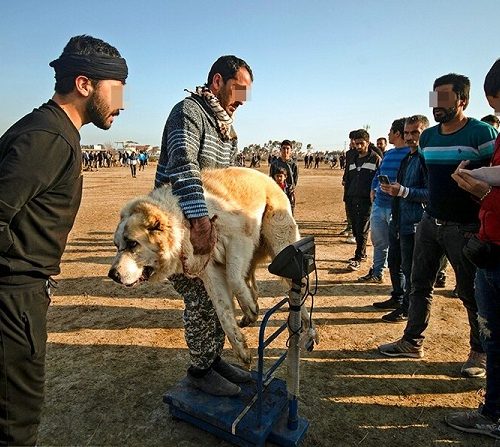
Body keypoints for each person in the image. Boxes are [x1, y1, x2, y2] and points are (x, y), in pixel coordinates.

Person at [0, 34, 127, 446]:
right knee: (15, 419)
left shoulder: (55, 132)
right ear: (85, 85)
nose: (122, 104)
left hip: (20, 293)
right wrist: (14, 276)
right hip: (12, 297)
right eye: (117, 89)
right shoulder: (48, 137)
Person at [378, 73, 497, 379]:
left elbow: (494, 182)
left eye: (444, 98)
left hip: (466, 228)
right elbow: (429, 183)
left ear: (463, 100)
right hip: (430, 223)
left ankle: (479, 352)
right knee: (419, 284)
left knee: (470, 294)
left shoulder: (482, 133)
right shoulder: (428, 138)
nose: (437, 105)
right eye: (435, 98)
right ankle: (411, 341)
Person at [154, 55, 253, 397]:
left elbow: (225, 183)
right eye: (238, 89)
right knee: (199, 297)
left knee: (219, 294)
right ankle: (200, 370)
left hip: (209, 227)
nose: (242, 99)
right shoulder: (189, 112)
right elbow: (183, 166)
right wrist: (198, 220)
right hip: (179, 228)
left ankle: (213, 361)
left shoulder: (227, 128)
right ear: (216, 82)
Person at [445, 59, 500, 441]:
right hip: (489, 246)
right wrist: (482, 190)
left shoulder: (484, 133)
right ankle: (492, 410)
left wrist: (476, 176)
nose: (498, 114)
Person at [377, 115, 430, 322]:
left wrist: (404, 191)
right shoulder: (407, 157)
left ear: (424, 133)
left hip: (414, 223)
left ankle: (407, 308)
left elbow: (430, 193)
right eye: (407, 132)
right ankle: (398, 297)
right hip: (398, 220)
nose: (409, 137)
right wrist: (392, 190)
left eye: (415, 132)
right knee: (395, 261)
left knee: (410, 269)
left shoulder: (425, 159)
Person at [358, 118, 409, 283]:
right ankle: (377, 273)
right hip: (380, 205)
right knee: (379, 243)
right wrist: (373, 188)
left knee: (399, 247)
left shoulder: (412, 154)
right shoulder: (388, 154)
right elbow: (378, 173)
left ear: (397, 133)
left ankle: (401, 285)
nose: (388, 134)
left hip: (398, 207)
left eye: (390, 131)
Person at [343, 129, 381, 270]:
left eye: (361, 143)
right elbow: (349, 179)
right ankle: (360, 254)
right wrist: (347, 197)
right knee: (355, 228)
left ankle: (359, 256)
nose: (358, 146)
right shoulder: (352, 159)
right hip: (352, 198)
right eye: (356, 143)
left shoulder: (375, 159)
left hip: (367, 200)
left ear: (368, 143)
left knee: (362, 228)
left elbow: (379, 180)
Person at [269, 139, 298, 214]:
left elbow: (295, 180)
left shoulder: (294, 165)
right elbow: (271, 179)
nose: (285, 150)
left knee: (289, 215)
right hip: (276, 193)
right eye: (284, 148)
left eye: (288, 148)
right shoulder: (274, 164)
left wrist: (290, 190)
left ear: (291, 150)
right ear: (280, 149)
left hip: (289, 193)